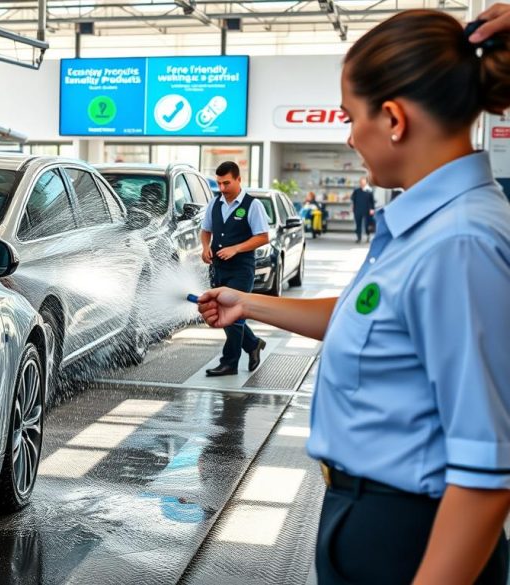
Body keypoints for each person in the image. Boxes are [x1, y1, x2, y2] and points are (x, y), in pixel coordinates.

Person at [197, 10, 510, 584]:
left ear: (392, 118)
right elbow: (370, 316)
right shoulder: (426, 223)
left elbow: (485, 475)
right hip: (369, 523)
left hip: (412, 538)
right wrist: (252, 305)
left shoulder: (460, 244)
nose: (348, 136)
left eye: (350, 116)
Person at [199, 161, 270, 377]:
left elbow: (263, 237)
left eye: (226, 183)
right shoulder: (215, 203)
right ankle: (253, 344)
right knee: (223, 313)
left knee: (233, 313)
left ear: (239, 179)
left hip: (241, 269)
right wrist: (205, 248)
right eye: (219, 183)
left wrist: (236, 249)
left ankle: (229, 362)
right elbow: (205, 230)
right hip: (218, 268)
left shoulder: (252, 205)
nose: (222, 188)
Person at [351, 177, 376, 243]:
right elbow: (353, 200)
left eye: (363, 182)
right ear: (360, 183)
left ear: (366, 183)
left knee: (367, 224)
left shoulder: (369, 191)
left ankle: (368, 236)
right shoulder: (356, 191)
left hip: (367, 210)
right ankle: (359, 238)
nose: (362, 184)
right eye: (361, 182)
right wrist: (353, 207)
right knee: (358, 224)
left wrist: (372, 209)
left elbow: (372, 201)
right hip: (358, 209)